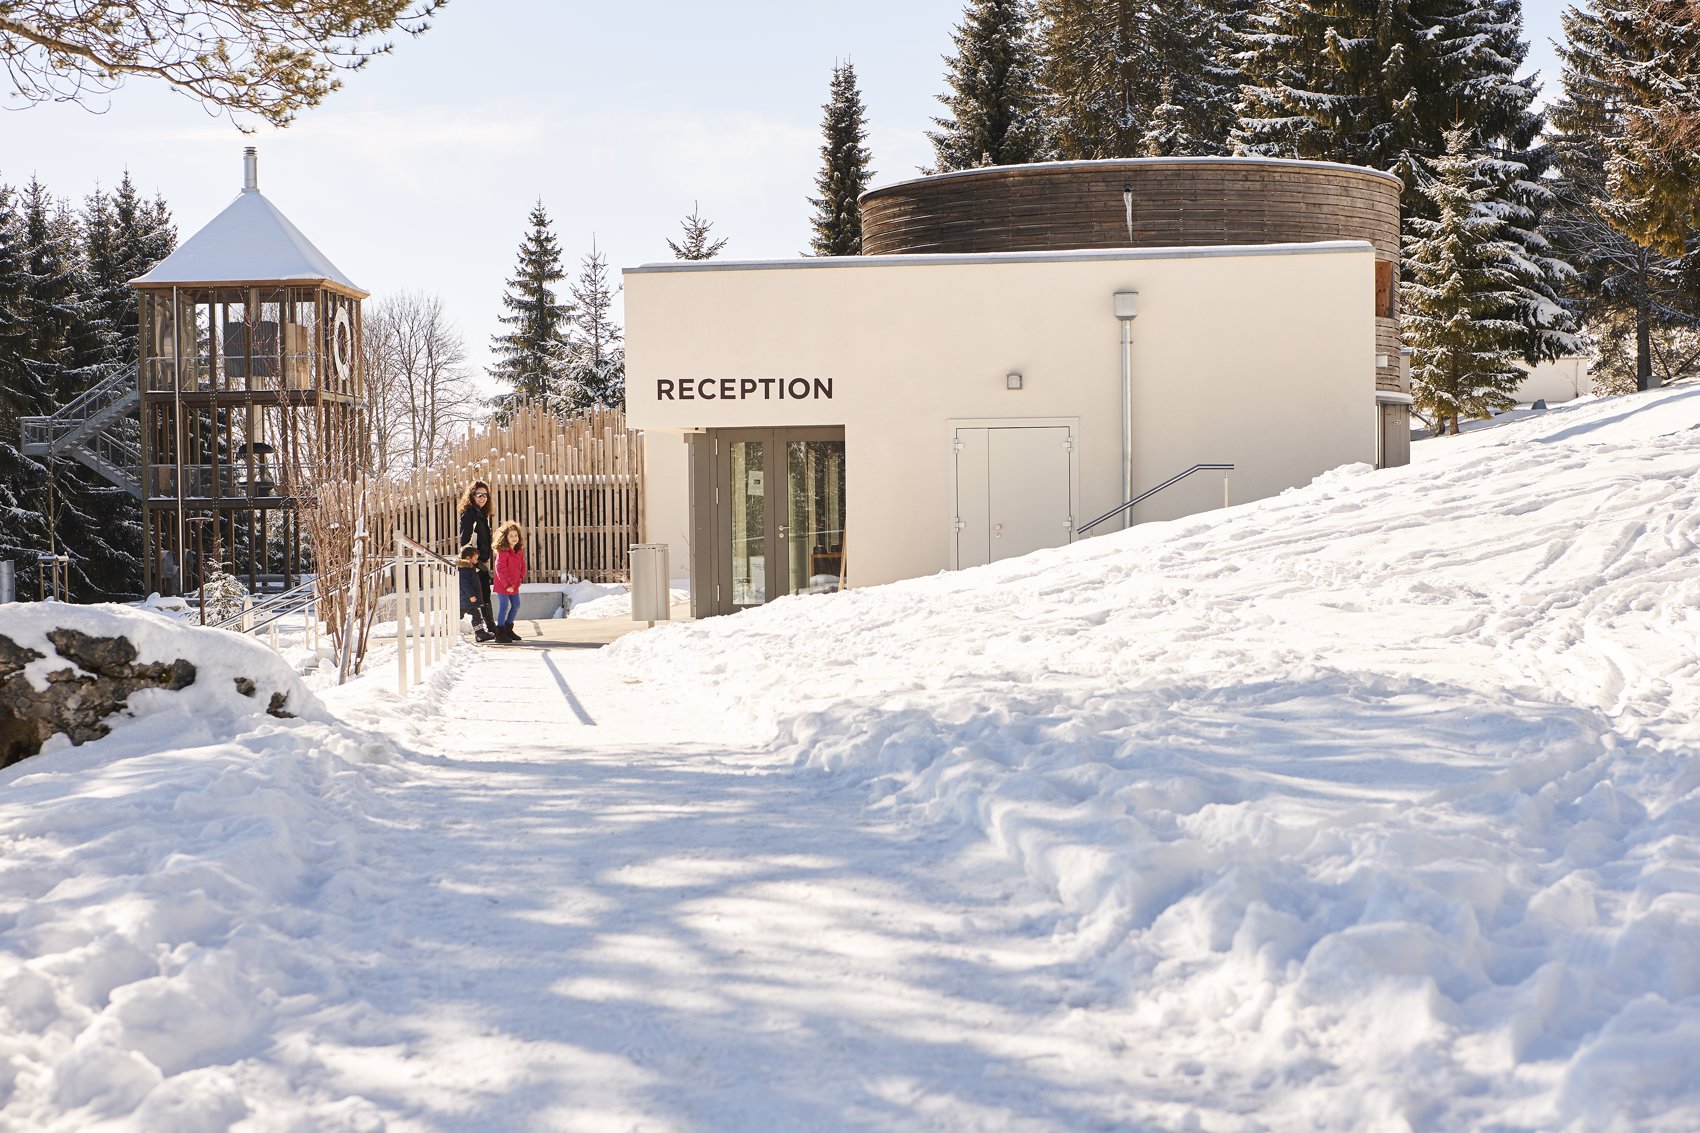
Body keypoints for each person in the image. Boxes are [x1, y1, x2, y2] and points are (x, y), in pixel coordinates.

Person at [457, 480, 496, 643]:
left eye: (485, 495)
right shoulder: (470, 514)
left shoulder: (481, 514)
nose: (482, 498)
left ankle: (489, 629)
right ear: (471, 496)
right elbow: (465, 541)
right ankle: (489, 628)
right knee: (479, 596)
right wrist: (473, 561)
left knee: (484, 594)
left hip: (481, 561)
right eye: (478, 494)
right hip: (475, 563)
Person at [491, 520, 527, 643]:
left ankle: (508, 629)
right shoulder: (503, 551)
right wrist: (507, 585)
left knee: (516, 605)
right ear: (505, 537)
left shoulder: (518, 551)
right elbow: (500, 568)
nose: (514, 538)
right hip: (503, 585)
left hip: (514, 585)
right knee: (504, 605)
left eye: (516, 535)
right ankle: (500, 632)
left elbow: (523, 566)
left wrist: (520, 579)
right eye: (511, 536)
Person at [456, 542, 489, 641]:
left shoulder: (469, 568)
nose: (476, 560)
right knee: (457, 615)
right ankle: (446, 629)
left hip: (469, 600)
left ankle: (480, 633)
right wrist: (471, 595)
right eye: (475, 558)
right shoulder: (464, 570)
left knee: (476, 615)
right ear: (468, 558)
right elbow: (465, 584)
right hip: (466, 600)